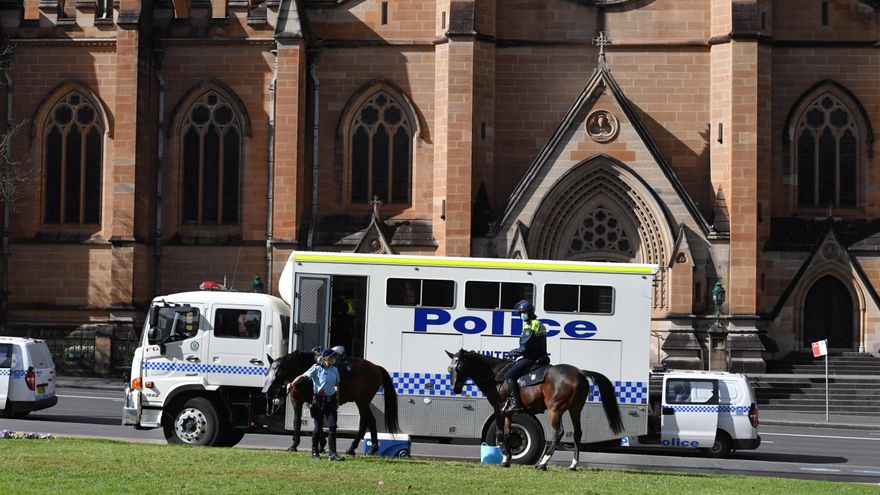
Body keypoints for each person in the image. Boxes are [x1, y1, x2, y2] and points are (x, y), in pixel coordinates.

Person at [289, 347, 345, 461]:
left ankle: (332, 454)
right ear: (325, 358)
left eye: (334, 357)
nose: (333, 359)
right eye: (331, 357)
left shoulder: (334, 370)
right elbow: (303, 376)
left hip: (331, 401)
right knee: (318, 429)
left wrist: (338, 399)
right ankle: (315, 452)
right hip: (318, 401)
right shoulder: (316, 368)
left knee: (332, 427)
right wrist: (292, 383)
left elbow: (337, 384)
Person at [502, 299, 548, 414]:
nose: (522, 315)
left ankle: (516, 404)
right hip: (538, 356)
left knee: (509, 375)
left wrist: (513, 352)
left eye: (525, 312)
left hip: (532, 358)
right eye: (521, 313)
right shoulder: (534, 323)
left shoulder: (532, 325)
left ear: (530, 313)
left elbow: (524, 346)